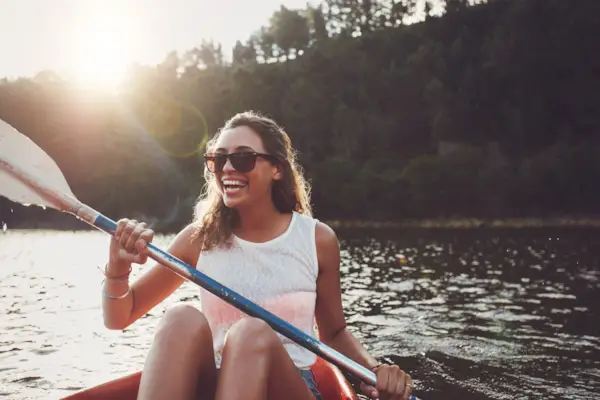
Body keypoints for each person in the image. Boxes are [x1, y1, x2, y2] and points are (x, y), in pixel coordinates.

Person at [100, 111, 413, 400]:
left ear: (277, 168)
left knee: (252, 332)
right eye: (218, 159)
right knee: (180, 317)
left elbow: (334, 332)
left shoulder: (317, 239)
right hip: (219, 386)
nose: (227, 169)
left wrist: (374, 370)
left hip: (292, 386)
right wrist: (118, 268)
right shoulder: (198, 239)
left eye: (243, 158)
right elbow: (120, 317)